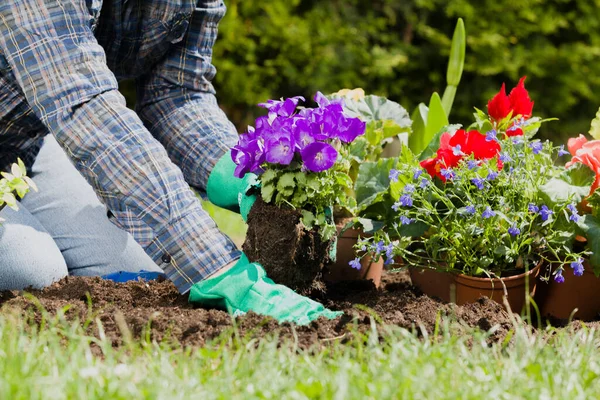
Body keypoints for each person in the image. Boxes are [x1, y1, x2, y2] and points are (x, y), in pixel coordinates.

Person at [0, 0, 340, 325]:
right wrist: (215, 266)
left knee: (139, 268)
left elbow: (175, 92)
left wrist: (246, 175)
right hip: (55, 120)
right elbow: (84, 105)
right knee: (32, 266)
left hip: (24, 144)